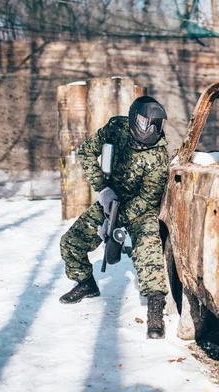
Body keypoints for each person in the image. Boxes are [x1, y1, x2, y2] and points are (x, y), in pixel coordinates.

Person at [59, 96, 169, 339]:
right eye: (146, 122)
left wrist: (115, 220)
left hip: (140, 209)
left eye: (156, 124)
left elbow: (148, 199)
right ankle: (86, 284)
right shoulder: (116, 128)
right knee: (71, 242)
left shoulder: (159, 156)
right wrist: (103, 189)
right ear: (132, 119)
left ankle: (155, 310)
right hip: (110, 197)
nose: (151, 129)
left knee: (148, 253)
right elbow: (87, 152)